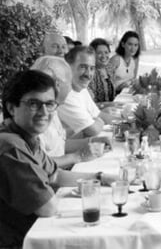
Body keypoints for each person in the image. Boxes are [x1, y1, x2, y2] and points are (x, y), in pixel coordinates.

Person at [0, 70, 116, 248]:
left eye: (50, 104)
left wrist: (101, 178)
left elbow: (55, 175)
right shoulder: (11, 146)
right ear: (11, 108)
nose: (43, 112)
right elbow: (47, 208)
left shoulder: (26, 135)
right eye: (33, 104)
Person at [31, 56, 111, 169]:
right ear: (56, 84)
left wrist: (92, 141)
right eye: (69, 82)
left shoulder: (53, 108)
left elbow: (60, 145)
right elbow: (38, 165)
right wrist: (76, 156)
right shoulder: (35, 116)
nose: (70, 89)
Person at [58, 46, 116, 138]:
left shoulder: (81, 88)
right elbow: (93, 130)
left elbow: (99, 115)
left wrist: (128, 121)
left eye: (92, 68)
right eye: (83, 67)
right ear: (68, 66)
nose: (88, 74)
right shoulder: (65, 95)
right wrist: (98, 121)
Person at [88, 38, 115, 103]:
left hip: (110, 109)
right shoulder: (90, 72)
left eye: (106, 52)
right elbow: (91, 102)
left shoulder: (109, 69)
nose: (104, 56)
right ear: (92, 55)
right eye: (99, 53)